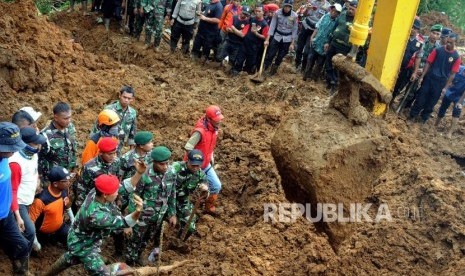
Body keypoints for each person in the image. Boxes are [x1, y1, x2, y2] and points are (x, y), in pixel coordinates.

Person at [43, 174, 144, 276]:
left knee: (71, 257)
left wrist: (139, 173)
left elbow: (125, 186)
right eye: (115, 192)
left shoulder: (96, 191)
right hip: (85, 246)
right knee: (104, 274)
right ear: (105, 195)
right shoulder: (96, 216)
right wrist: (138, 211)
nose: (118, 193)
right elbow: (125, 222)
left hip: (78, 237)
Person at [124, 146, 177, 266]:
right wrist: (130, 222)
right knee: (135, 240)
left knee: (147, 239)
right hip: (142, 216)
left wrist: (172, 213)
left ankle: (138, 256)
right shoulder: (144, 175)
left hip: (158, 215)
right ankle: (129, 262)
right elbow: (134, 198)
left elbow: (172, 193)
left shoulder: (171, 173)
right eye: (162, 164)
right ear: (154, 162)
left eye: (167, 163)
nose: (165, 167)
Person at [9, 127, 47, 254]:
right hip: (19, 202)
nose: (38, 146)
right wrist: (18, 215)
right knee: (29, 231)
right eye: (35, 143)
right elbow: (12, 190)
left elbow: (34, 171)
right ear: (25, 144)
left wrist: (37, 181)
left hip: (29, 198)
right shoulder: (15, 163)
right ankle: (21, 259)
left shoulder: (32, 155)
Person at [409, 33, 461, 123]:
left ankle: (423, 118)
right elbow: (428, 63)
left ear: (456, 43)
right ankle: (412, 115)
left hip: (441, 82)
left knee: (432, 101)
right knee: (421, 97)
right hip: (430, 78)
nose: (448, 44)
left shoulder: (456, 57)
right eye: (447, 42)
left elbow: (452, 74)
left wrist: (445, 88)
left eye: (450, 43)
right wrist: (422, 76)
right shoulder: (438, 50)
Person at [0, 122, 30, 275]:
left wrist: (16, 214)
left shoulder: (5, 158)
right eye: (10, 148)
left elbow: (9, 188)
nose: (13, 151)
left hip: (7, 215)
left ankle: (20, 270)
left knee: (22, 245)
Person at [184, 105, 223, 214]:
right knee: (188, 190)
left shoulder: (214, 129)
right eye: (216, 120)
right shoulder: (200, 132)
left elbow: (210, 145)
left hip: (206, 165)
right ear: (209, 119)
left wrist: (211, 156)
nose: (219, 122)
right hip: (194, 166)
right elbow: (188, 147)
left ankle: (208, 207)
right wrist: (193, 163)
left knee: (216, 186)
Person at [165, 149, 207, 240]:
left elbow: (205, 192)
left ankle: (178, 242)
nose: (195, 168)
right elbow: (166, 189)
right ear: (187, 161)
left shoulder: (200, 174)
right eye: (193, 165)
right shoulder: (176, 167)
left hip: (182, 202)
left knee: (190, 227)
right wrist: (172, 213)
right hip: (165, 200)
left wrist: (205, 189)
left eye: (198, 165)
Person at [29, 166, 72, 246]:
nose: (68, 183)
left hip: (60, 228)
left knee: (75, 240)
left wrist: (73, 220)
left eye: (68, 180)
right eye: (65, 181)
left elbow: (67, 206)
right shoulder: (41, 200)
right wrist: (35, 241)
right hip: (42, 234)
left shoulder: (64, 191)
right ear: (55, 184)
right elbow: (31, 221)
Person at [75, 137, 121, 211]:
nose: (112, 156)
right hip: (93, 203)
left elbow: (117, 179)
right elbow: (81, 188)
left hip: (110, 201)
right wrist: (81, 208)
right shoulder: (89, 167)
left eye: (114, 153)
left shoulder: (116, 162)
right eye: (109, 154)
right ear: (101, 153)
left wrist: (118, 198)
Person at [38, 102, 78, 182]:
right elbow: (39, 159)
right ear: (56, 117)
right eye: (65, 119)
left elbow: (72, 149)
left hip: (68, 175)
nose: (69, 121)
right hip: (53, 180)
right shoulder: (45, 136)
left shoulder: (70, 127)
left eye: (70, 117)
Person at [92, 86, 137, 155]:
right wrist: (93, 143)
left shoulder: (132, 113)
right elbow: (97, 127)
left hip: (120, 144)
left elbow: (132, 132)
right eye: (124, 97)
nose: (126, 100)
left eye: (129, 98)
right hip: (106, 143)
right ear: (119, 95)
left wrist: (132, 151)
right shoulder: (109, 109)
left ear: (132, 99)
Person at [324, 0, 357, 93]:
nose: (350, 10)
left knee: (338, 67)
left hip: (344, 47)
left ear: (357, 10)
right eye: (349, 8)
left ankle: (335, 84)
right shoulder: (342, 14)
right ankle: (329, 81)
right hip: (333, 43)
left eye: (353, 9)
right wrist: (327, 42)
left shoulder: (358, 20)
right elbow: (334, 28)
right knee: (328, 62)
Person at [302, 3, 341, 81]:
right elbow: (318, 26)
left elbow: (334, 35)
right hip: (317, 41)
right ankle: (306, 76)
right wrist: (312, 37)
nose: (333, 12)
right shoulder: (325, 16)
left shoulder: (337, 22)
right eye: (332, 10)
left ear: (338, 13)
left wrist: (329, 44)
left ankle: (314, 79)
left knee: (320, 63)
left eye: (335, 11)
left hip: (325, 45)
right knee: (310, 58)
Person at [390, 18, 424, 104]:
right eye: (413, 27)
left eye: (416, 29)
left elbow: (418, 57)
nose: (413, 30)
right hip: (393, 65)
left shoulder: (419, 43)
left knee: (398, 86)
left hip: (405, 68)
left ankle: (389, 102)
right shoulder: (402, 36)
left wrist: (415, 72)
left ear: (418, 31)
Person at [118, 130, 154, 209]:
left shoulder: (152, 155)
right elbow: (119, 177)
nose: (152, 144)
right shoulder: (127, 158)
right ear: (141, 146)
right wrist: (118, 198)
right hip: (129, 191)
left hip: (145, 190)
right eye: (149, 142)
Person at [263, 0, 298, 76]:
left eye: (288, 7)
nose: (286, 8)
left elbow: (295, 30)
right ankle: (264, 69)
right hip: (277, 36)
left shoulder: (294, 16)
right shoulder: (277, 13)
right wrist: (267, 39)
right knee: (271, 54)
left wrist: (292, 43)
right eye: (285, 6)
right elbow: (272, 26)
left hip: (287, 38)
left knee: (280, 56)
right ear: (283, 6)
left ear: (291, 7)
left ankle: (273, 71)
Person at [231, 5, 269, 75]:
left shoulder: (264, 24)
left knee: (250, 63)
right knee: (239, 59)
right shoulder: (251, 19)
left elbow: (265, 37)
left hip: (254, 46)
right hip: (245, 43)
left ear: (263, 12)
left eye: (259, 11)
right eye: (256, 11)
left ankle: (246, 76)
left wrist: (256, 33)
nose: (257, 13)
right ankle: (235, 72)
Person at [295, 0, 330, 72]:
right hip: (305, 26)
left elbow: (326, 20)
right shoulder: (312, 1)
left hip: (314, 31)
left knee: (306, 52)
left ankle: (303, 67)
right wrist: (307, 9)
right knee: (299, 47)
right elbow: (304, 15)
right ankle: (297, 64)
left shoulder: (328, 6)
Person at [435, 61, 465, 138]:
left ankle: (450, 132)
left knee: (456, 111)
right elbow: (450, 76)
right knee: (443, 107)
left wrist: (460, 101)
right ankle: (436, 124)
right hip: (450, 91)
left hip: (460, 95)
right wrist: (447, 86)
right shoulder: (459, 69)